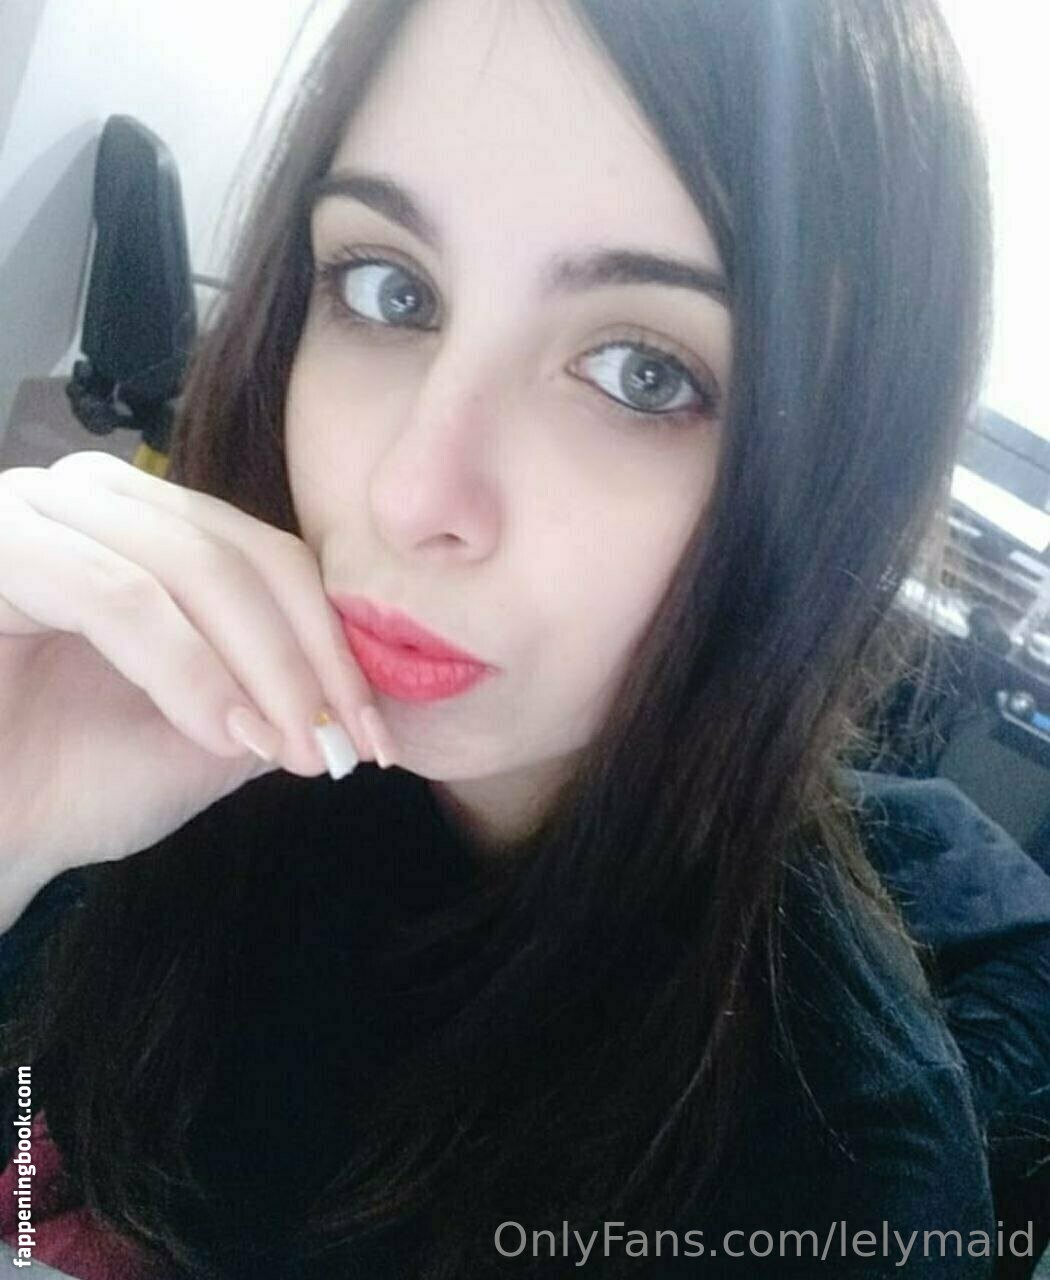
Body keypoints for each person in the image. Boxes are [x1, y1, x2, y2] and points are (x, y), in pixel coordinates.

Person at [0, 0, 1048, 1276]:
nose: (410, 493)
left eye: (643, 372)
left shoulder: (842, 1184)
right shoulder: (161, 734)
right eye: (389, 289)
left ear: (840, 486)